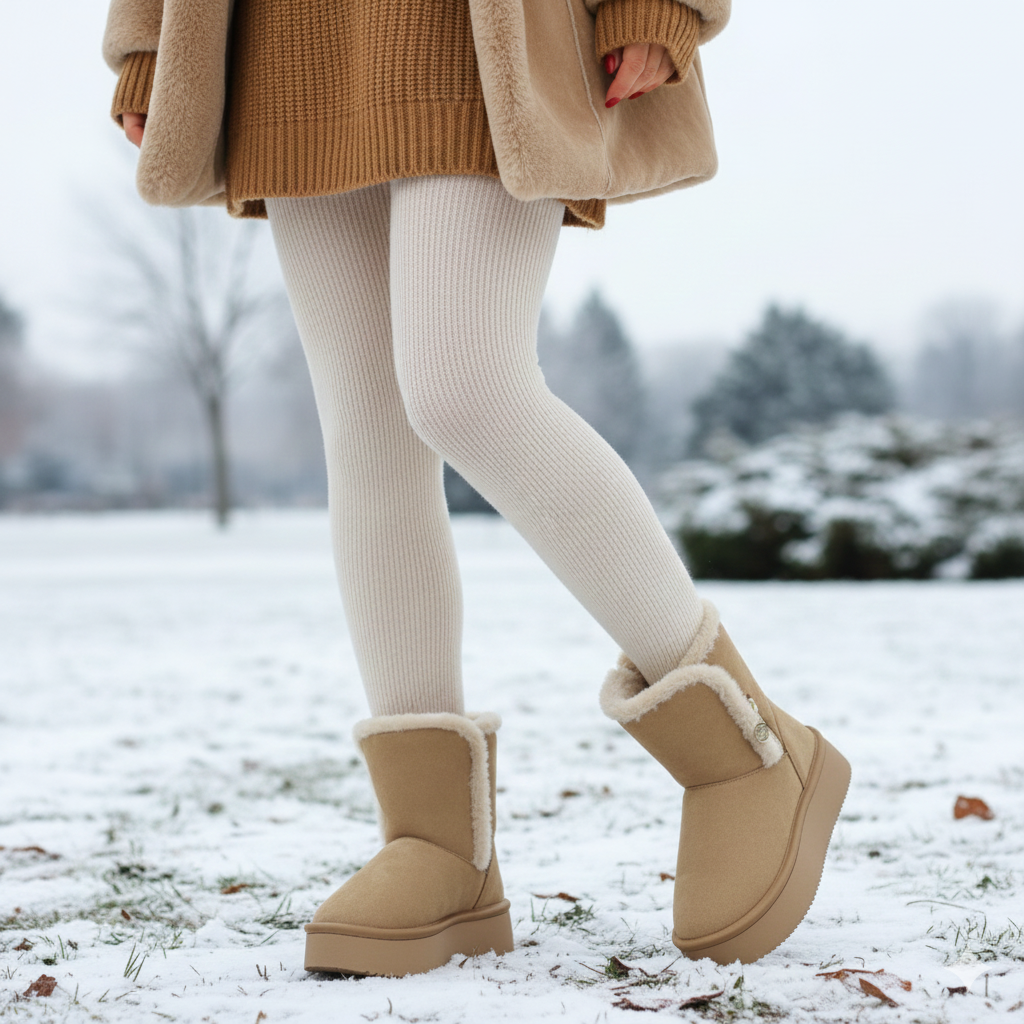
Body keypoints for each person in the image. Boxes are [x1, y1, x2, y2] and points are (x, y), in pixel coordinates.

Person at [103, 0, 850, 977]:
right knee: (365, 433)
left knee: (465, 389)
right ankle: (433, 842)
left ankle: (743, 749)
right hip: (287, 42)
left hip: (466, 31)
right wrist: (149, 46)